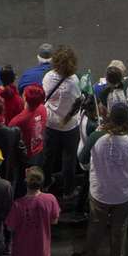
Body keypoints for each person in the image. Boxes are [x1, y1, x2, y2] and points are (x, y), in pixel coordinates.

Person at [72, 104, 128, 256]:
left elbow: (82, 157)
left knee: (96, 226)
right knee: (119, 228)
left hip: (100, 191)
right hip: (123, 193)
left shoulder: (96, 136)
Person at [42, 45, 84, 199]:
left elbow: (45, 95)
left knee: (48, 156)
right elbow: (76, 100)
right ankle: (68, 190)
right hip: (69, 126)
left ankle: (45, 183)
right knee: (69, 159)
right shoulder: (74, 82)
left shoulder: (48, 77)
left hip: (50, 123)